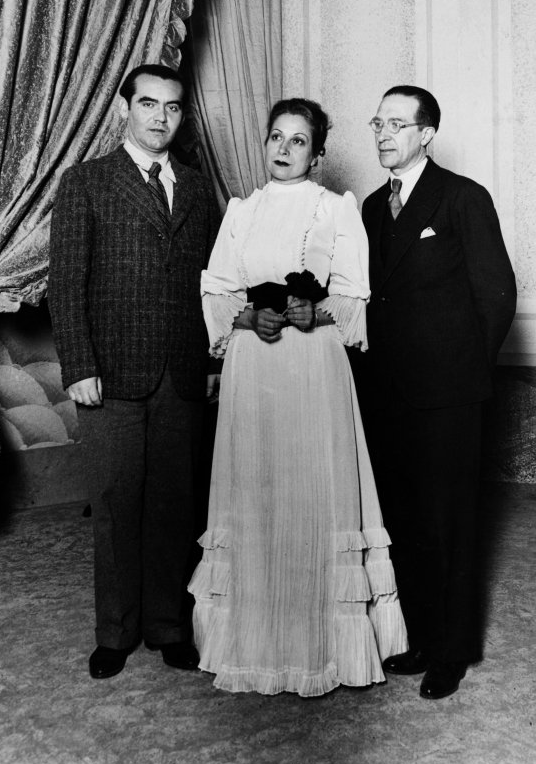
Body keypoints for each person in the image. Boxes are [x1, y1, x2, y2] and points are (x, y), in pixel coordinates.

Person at [188, 98, 407, 698]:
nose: (284, 150)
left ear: (318, 154)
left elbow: (357, 300)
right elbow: (217, 293)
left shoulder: (338, 208)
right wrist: (246, 317)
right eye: (276, 138)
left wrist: (318, 312)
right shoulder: (241, 210)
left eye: (299, 141)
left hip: (314, 367)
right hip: (254, 372)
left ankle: (326, 645)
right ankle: (256, 639)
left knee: (316, 490)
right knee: (257, 491)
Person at [48, 64, 219, 679]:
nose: (160, 117)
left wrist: (211, 360)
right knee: (118, 503)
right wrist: (79, 365)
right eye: (148, 104)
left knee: (176, 502)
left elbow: (211, 286)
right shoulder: (86, 181)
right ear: (126, 107)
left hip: (181, 371)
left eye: (172, 107)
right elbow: (65, 282)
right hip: (110, 373)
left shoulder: (198, 189)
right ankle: (115, 632)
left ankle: (168, 626)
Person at [356, 85, 517, 699]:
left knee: (450, 522)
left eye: (397, 123)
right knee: (405, 521)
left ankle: (452, 650)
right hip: (387, 394)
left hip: (448, 395)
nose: (383, 134)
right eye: (377, 122)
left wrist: (462, 375)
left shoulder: (462, 198)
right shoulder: (372, 207)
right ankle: (421, 636)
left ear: (426, 133)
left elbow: (497, 294)